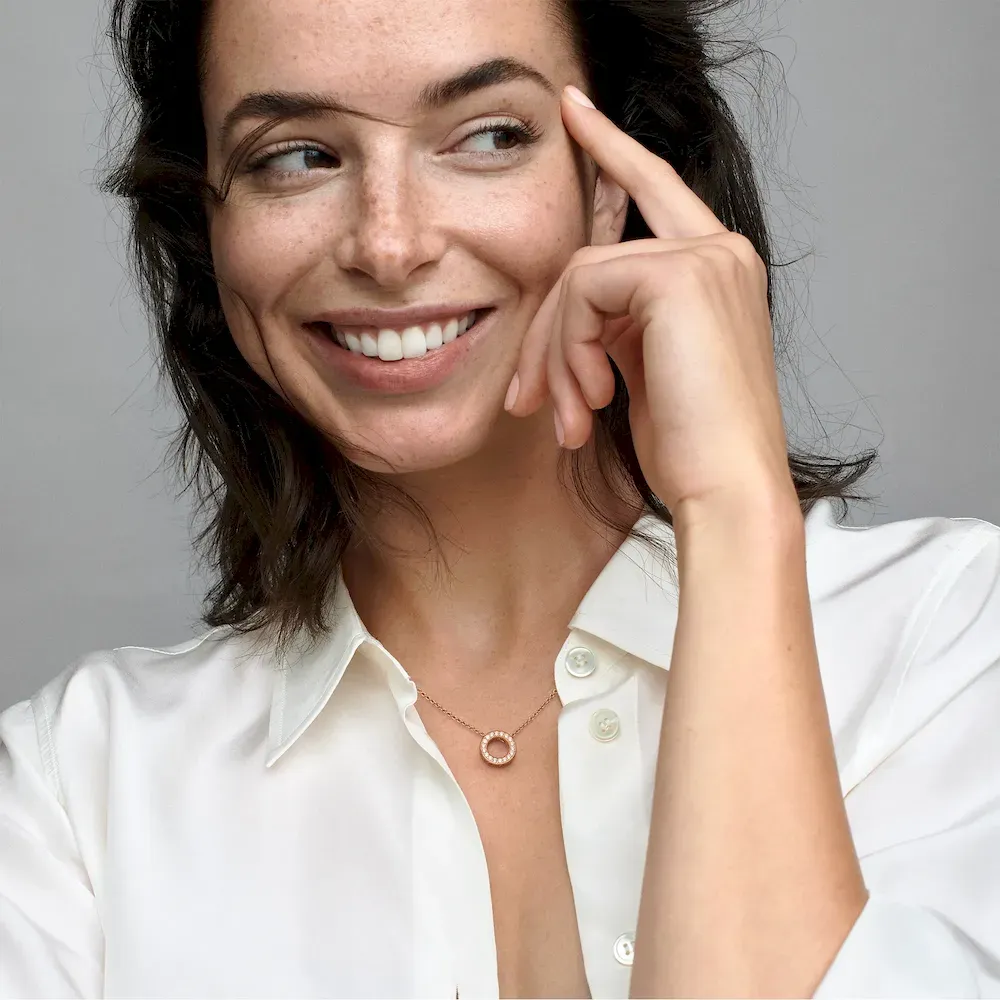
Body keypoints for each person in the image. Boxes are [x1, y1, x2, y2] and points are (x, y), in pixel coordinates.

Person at [2, 0, 998, 996]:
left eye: (488, 136)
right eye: (297, 157)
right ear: (210, 226)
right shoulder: (71, 801)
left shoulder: (948, 659)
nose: (388, 245)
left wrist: (734, 510)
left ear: (610, 184)